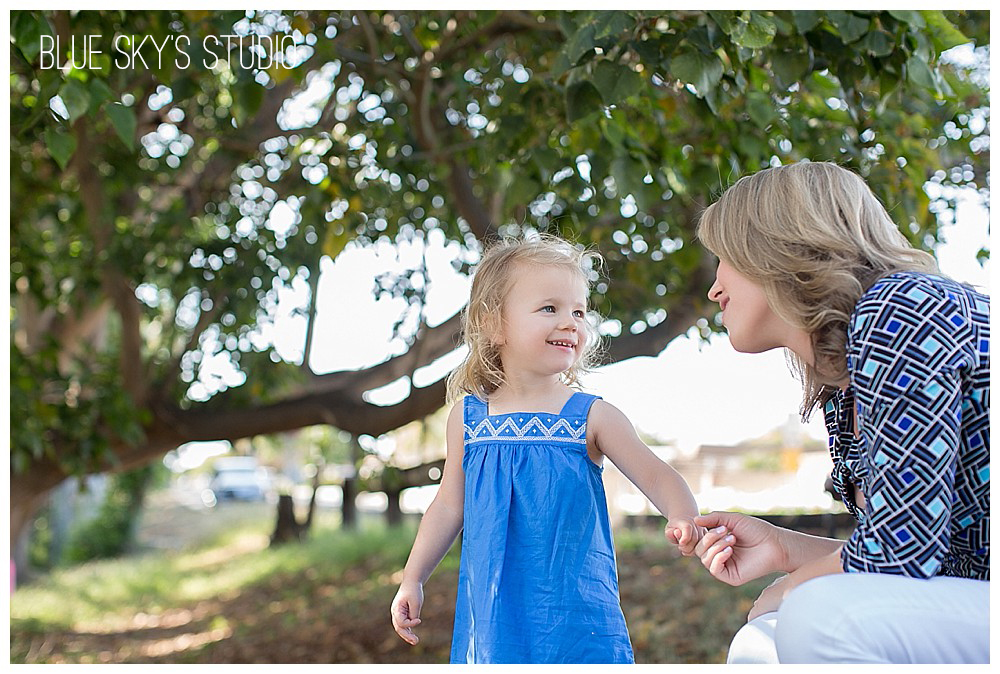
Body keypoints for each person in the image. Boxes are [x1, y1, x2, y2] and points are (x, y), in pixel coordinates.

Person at [690, 161, 989, 664]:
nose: (714, 289)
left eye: (724, 259)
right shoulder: (843, 381)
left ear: (775, 248)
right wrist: (785, 551)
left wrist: (793, 585)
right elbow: (924, 556)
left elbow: (901, 554)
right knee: (760, 643)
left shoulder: (903, 310)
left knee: (819, 613)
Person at [389, 234, 704, 663]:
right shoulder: (468, 419)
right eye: (549, 308)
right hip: (496, 614)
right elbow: (447, 506)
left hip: (576, 615)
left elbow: (655, 473)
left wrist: (683, 514)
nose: (571, 322)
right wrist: (413, 578)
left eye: (579, 310)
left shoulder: (591, 417)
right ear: (493, 323)